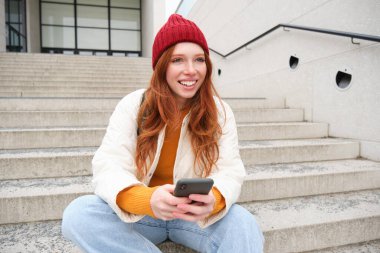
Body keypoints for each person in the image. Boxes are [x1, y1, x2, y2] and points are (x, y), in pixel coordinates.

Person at [62, 14, 264, 253]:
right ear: (162, 66)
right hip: (142, 215)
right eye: (178, 60)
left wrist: (215, 199)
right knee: (78, 215)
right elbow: (109, 164)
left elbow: (230, 169)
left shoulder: (220, 112)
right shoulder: (134, 104)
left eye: (199, 60)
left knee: (243, 223)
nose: (191, 70)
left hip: (192, 216)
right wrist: (146, 200)